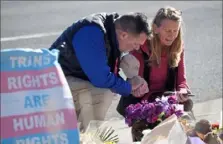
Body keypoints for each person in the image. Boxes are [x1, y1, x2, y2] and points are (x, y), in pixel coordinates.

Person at [49, 12, 150, 130]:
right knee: (102, 93)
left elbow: (106, 72)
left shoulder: (111, 31)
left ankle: (77, 135)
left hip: (68, 79)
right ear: (124, 35)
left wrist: (132, 85)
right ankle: (86, 138)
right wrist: (128, 87)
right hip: (50, 82)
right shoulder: (92, 32)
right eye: (136, 43)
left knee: (103, 91)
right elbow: (100, 78)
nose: (137, 48)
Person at [117, 6, 193, 116]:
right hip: (144, 103)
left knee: (188, 123)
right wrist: (137, 89)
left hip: (168, 99)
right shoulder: (141, 46)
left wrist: (183, 90)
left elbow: (181, 80)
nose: (172, 35)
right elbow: (136, 81)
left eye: (175, 31)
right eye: (167, 30)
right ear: (155, 28)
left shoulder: (177, 48)